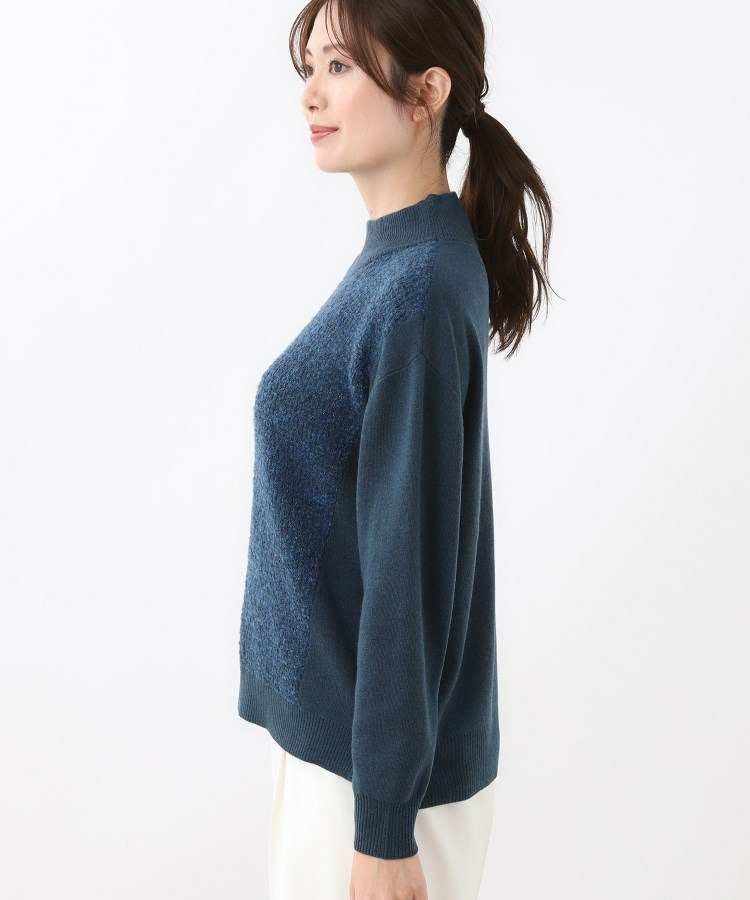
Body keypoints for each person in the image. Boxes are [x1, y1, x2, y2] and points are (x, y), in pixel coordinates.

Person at [237, 1, 556, 897]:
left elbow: (407, 572)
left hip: (376, 796)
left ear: (427, 93)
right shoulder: (400, 261)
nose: (311, 94)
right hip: (344, 761)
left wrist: (382, 828)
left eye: (340, 67)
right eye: (309, 67)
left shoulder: (416, 290)